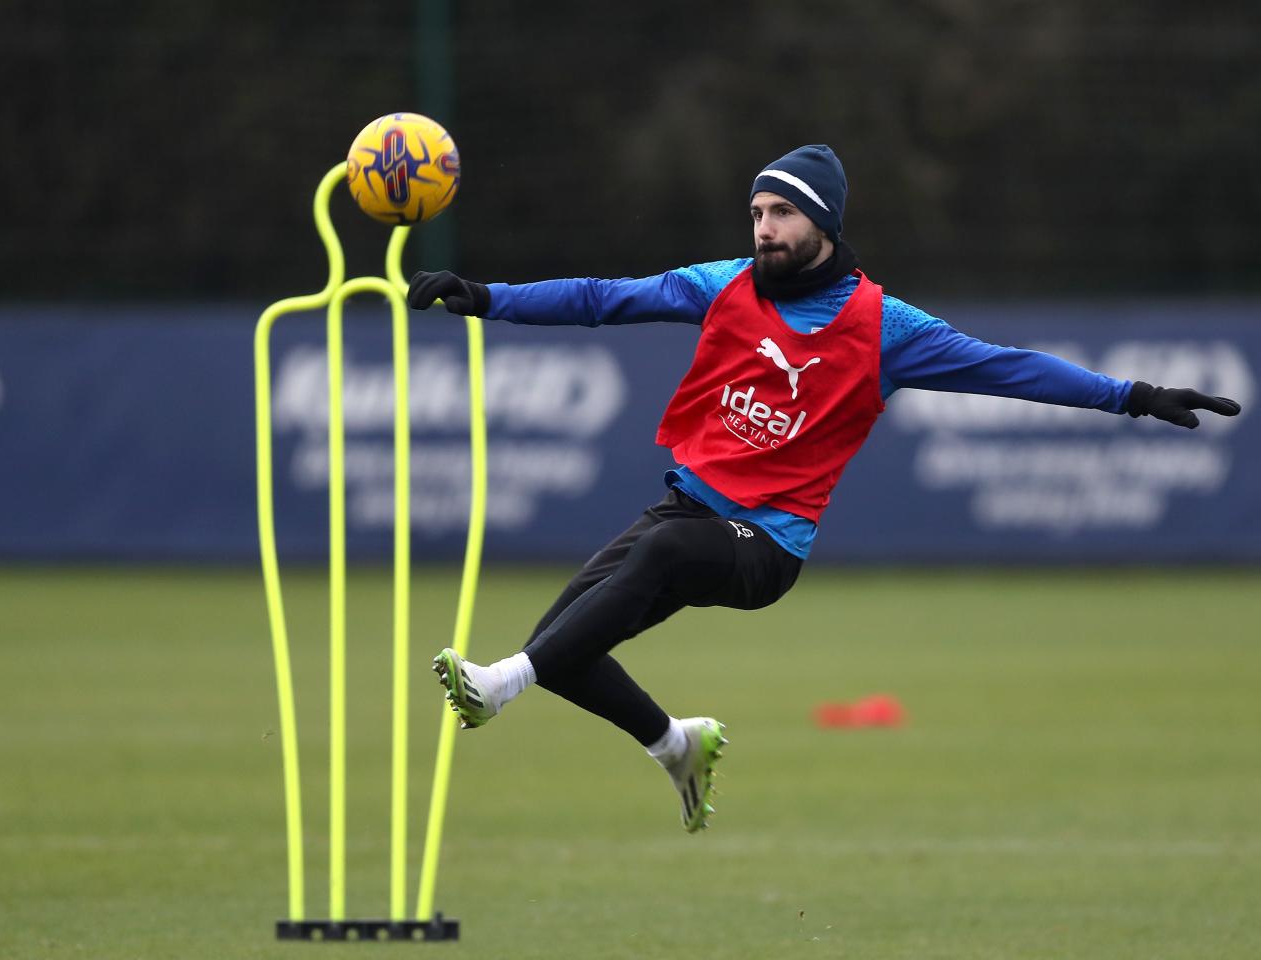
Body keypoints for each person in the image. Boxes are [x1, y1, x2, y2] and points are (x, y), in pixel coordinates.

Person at [406, 144, 1241, 833]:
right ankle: (674, 745)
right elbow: (601, 299)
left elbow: (1009, 370)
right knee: (567, 652)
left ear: (825, 224)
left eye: (783, 214)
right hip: (687, 511)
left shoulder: (886, 329)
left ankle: (497, 686)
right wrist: (486, 299)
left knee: (628, 577)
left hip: (766, 546)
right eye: (759, 214)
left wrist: (1134, 396)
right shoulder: (722, 284)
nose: (765, 229)